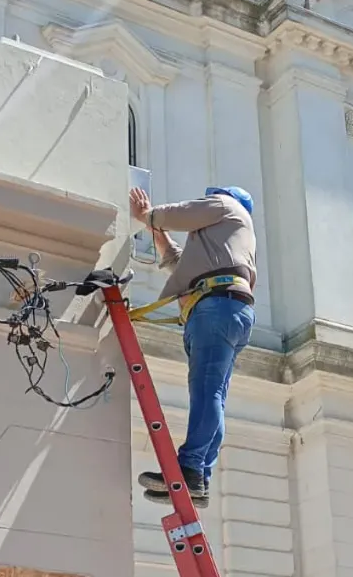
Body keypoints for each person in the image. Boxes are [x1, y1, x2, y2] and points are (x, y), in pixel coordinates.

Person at [128, 185, 258, 507]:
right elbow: (187, 267)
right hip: (229, 308)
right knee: (215, 395)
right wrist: (159, 237)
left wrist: (149, 214)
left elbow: (184, 213)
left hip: (215, 308)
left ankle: (190, 469)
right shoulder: (226, 243)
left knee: (207, 393)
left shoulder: (226, 205)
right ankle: (200, 476)